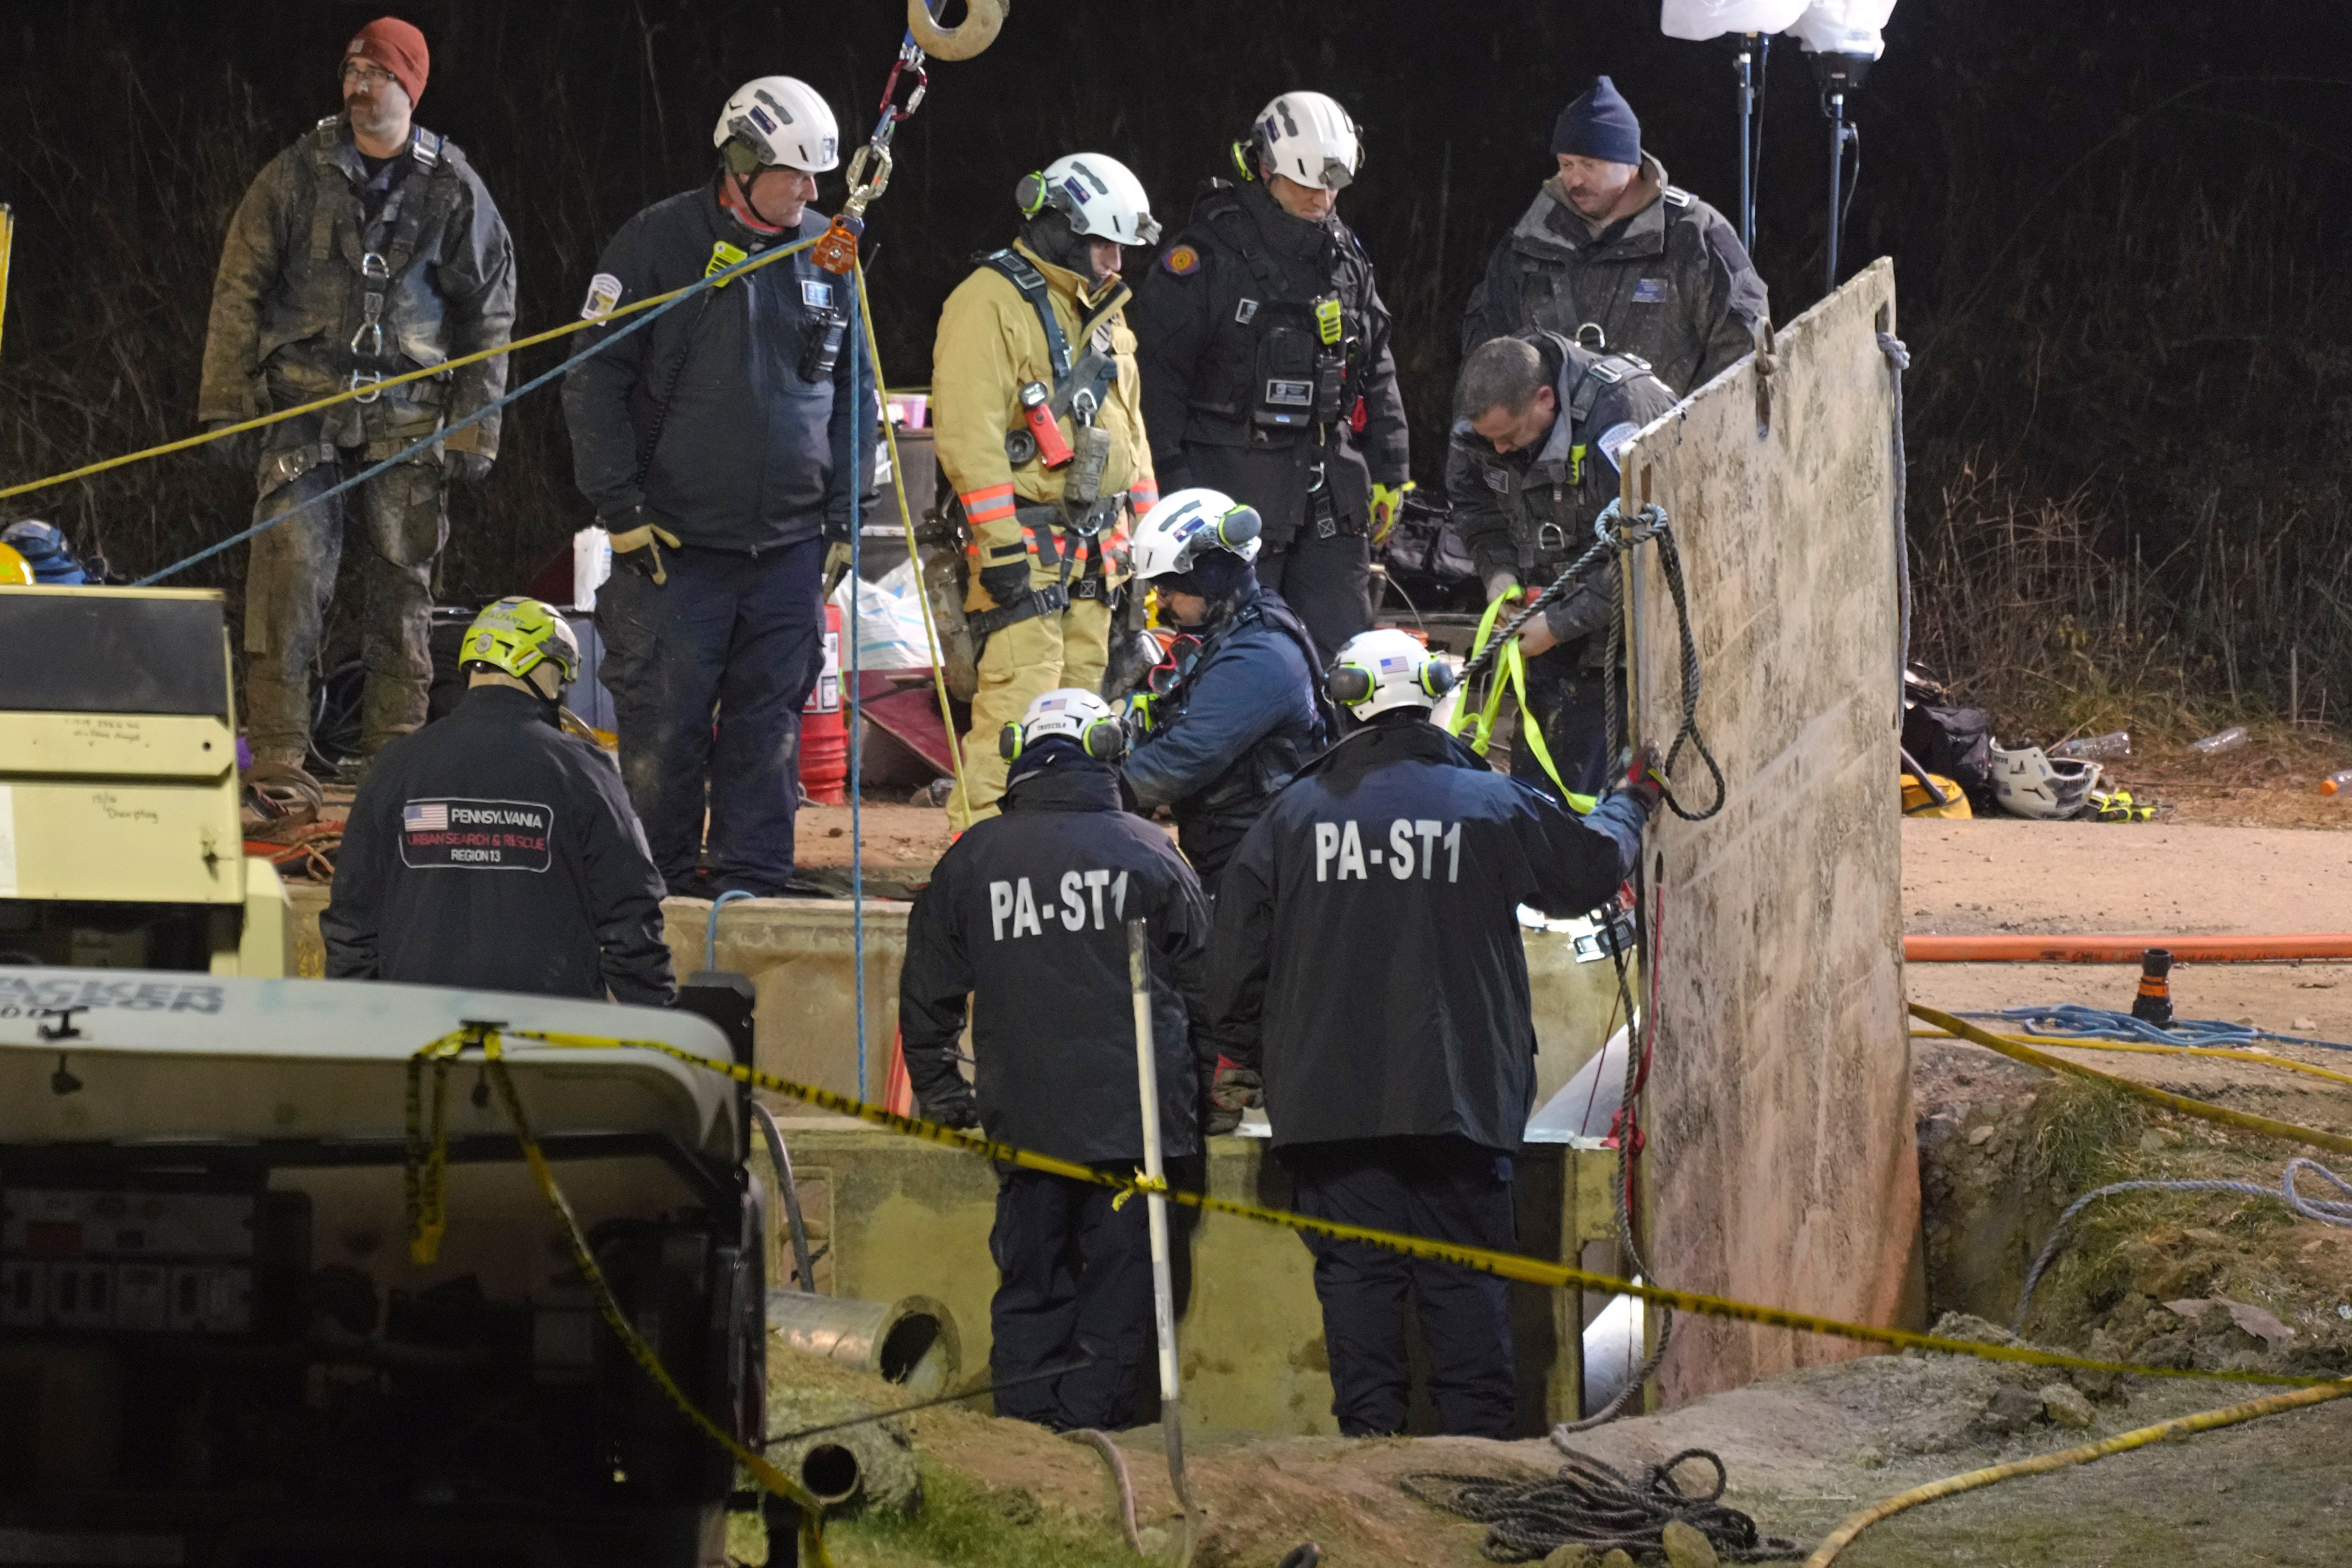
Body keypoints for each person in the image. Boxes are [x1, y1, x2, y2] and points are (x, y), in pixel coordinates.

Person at [1207, 629, 1660, 1438]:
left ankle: (1374, 1469)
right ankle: (1472, 1477)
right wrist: (1634, 797)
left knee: (1358, 1286)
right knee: (1463, 1287)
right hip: (1461, 1095)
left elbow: (1237, 960)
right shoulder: (1486, 803)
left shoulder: (1291, 815)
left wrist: (1246, 1054)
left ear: (1345, 699)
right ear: (1435, 694)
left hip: (1330, 1107)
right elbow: (1590, 868)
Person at [561, 76, 874, 899]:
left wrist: (847, 513)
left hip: (786, 552)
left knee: (766, 730)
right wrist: (618, 506)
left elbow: (854, 392)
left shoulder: (826, 249)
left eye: (818, 179)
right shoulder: (656, 243)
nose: (811, 193)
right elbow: (593, 378)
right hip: (676, 551)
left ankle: (753, 883)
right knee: (665, 731)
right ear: (738, 165)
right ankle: (652, 891)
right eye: (795, 176)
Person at [199, 17, 515, 779]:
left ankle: (395, 750)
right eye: (350, 71)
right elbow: (239, 288)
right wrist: (226, 402)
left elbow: (490, 310)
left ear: (408, 86)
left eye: (375, 73)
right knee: (288, 576)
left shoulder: (454, 189)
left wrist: (476, 427)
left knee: (403, 584)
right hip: (300, 409)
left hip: (410, 419)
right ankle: (276, 751)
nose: (357, 86)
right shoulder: (294, 174)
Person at [899, 689, 1213, 1432]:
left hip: (1026, 1125)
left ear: (1020, 755)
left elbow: (926, 993)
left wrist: (943, 1092)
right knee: (1117, 1296)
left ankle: (1025, 1453)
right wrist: (1211, 1100)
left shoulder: (974, 857)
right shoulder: (1150, 851)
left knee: (1031, 1287)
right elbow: (1206, 991)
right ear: (1105, 750)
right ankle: (1090, 1449)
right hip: (1134, 1131)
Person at [1128, 91, 1409, 663]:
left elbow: (1376, 363)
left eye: (1332, 186)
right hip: (1230, 489)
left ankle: (1344, 753)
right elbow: (1156, 380)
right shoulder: (1205, 259)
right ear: (1263, 168)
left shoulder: (1345, 258)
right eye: (1306, 184)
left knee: (1345, 658)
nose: (1321, 198)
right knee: (1233, 659)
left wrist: (1393, 470)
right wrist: (1173, 486)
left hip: (1328, 493)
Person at [931, 153, 1162, 830]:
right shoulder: (986, 303)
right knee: (1016, 712)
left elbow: (1132, 437)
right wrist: (998, 548)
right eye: (1103, 243)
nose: (1115, 261)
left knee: (1088, 714)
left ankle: (1070, 850)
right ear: (1058, 225)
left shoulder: (1105, 315)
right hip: (1025, 554)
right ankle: (980, 860)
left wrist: (1148, 545)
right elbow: (968, 437)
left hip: (1098, 557)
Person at [322, 597, 675, 1005]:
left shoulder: (395, 767)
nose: (560, 692)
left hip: (419, 1044)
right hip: (547, 1047)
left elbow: (351, 924)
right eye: (560, 678)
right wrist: (664, 1031)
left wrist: (359, 1029)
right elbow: (631, 921)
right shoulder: (584, 772)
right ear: (539, 667)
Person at [1446, 330, 1675, 804]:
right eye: (1491, 441)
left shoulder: (1623, 417)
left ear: (1544, 398)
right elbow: (1474, 506)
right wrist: (1499, 577)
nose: (1501, 451)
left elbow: (1644, 551)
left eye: (1509, 437)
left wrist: (1557, 624)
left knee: (1608, 796)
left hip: (1636, 644)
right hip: (1544, 621)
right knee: (1538, 792)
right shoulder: (1483, 419)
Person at [1461, 76, 1766, 398]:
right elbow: (1486, 361)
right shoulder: (1529, 242)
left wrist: (1692, 431)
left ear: (1630, 164)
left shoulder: (1693, 234)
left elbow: (1744, 349)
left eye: (1589, 165)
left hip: (1669, 441)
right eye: (1566, 164)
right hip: (1552, 447)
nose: (1574, 179)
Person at [1119, 488, 1327, 891]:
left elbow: (1185, 757)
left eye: (1168, 589)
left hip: (1262, 864)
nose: (1160, 604)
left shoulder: (1260, 655)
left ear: (1210, 578)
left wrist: (1103, 791)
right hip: (1236, 848)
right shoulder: (1231, 628)